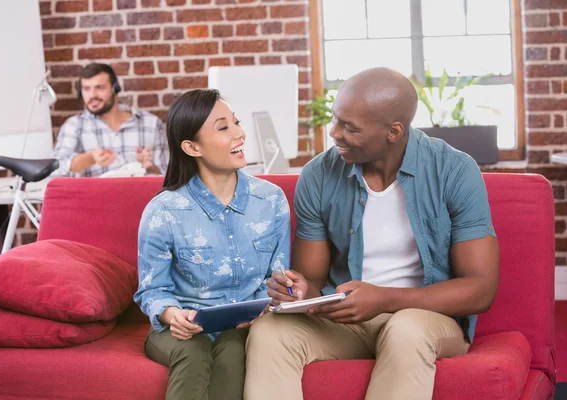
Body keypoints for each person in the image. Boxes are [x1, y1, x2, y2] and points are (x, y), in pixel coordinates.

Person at [244, 67, 500, 400]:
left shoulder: (453, 170)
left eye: (349, 127)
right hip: (345, 319)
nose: (334, 133)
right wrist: (301, 290)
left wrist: (386, 299)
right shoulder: (319, 174)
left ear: (393, 131)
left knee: (406, 330)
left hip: (425, 318)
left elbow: (481, 289)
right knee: (269, 331)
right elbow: (312, 279)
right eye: (336, 120)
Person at [134, 89, 291, 400]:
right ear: (192, 147)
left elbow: (278, 278)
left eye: (236, 122)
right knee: (193, 353)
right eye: (223, 127)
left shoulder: (271, 200)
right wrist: (173, 315)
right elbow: (152, 291)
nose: (240, 134)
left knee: (235, 353)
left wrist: (263, 308)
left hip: (243, 327)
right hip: (178, 330)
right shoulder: (163, 211)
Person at [52, 62, 168, 177]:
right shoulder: (74, 126)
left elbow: (166, 177)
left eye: (99, 88)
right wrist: (91, 158)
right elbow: (55, 168)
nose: (92, 95)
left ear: (115, 89)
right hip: (94, 195)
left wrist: (149, 167)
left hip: (141, 195)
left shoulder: (151, 124)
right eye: (86, 89)